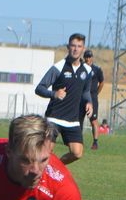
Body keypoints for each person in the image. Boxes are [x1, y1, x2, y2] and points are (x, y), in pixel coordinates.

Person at [35, 33, 92, 164]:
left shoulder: (87, 71)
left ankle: (56, 168)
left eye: (79, 46)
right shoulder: (58, 67)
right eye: (73, 45)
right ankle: (38, 178)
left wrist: (89, 102)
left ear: (83, 49)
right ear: (68, 47)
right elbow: (39, 88)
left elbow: (86, 91)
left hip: (72, 119)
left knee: (77, 153)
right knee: (46, 153)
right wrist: (54, 94)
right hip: (54, 117)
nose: (76, 49)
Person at [81, 50, 104, 150]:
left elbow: (102, 82)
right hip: (81, 97)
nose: (88, 59)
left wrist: (96, 93)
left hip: (92, 98)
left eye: (89, 57)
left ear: (92, 58)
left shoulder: (97, 69)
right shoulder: (80, 68)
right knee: (79, 120)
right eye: (86, 56)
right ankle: (78, 141)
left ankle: (95, 142)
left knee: (93, 121)